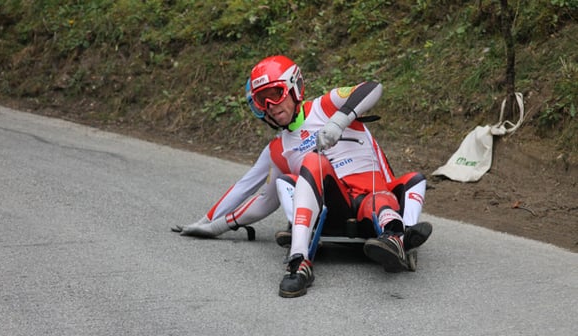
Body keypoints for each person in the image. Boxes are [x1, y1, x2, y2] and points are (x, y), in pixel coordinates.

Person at [178, 55, 431, 298]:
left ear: (294, 88)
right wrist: (212, 224)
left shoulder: (325, 106)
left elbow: (373, 87)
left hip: (374, 199)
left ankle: (396, 237)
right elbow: (255, 193)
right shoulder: (277, 148)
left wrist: (338, 122)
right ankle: (299, 261)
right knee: (297, 171)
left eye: (275, 94)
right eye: (262, 101)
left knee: (406, 184)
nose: (271, 106)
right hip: (332, 211)